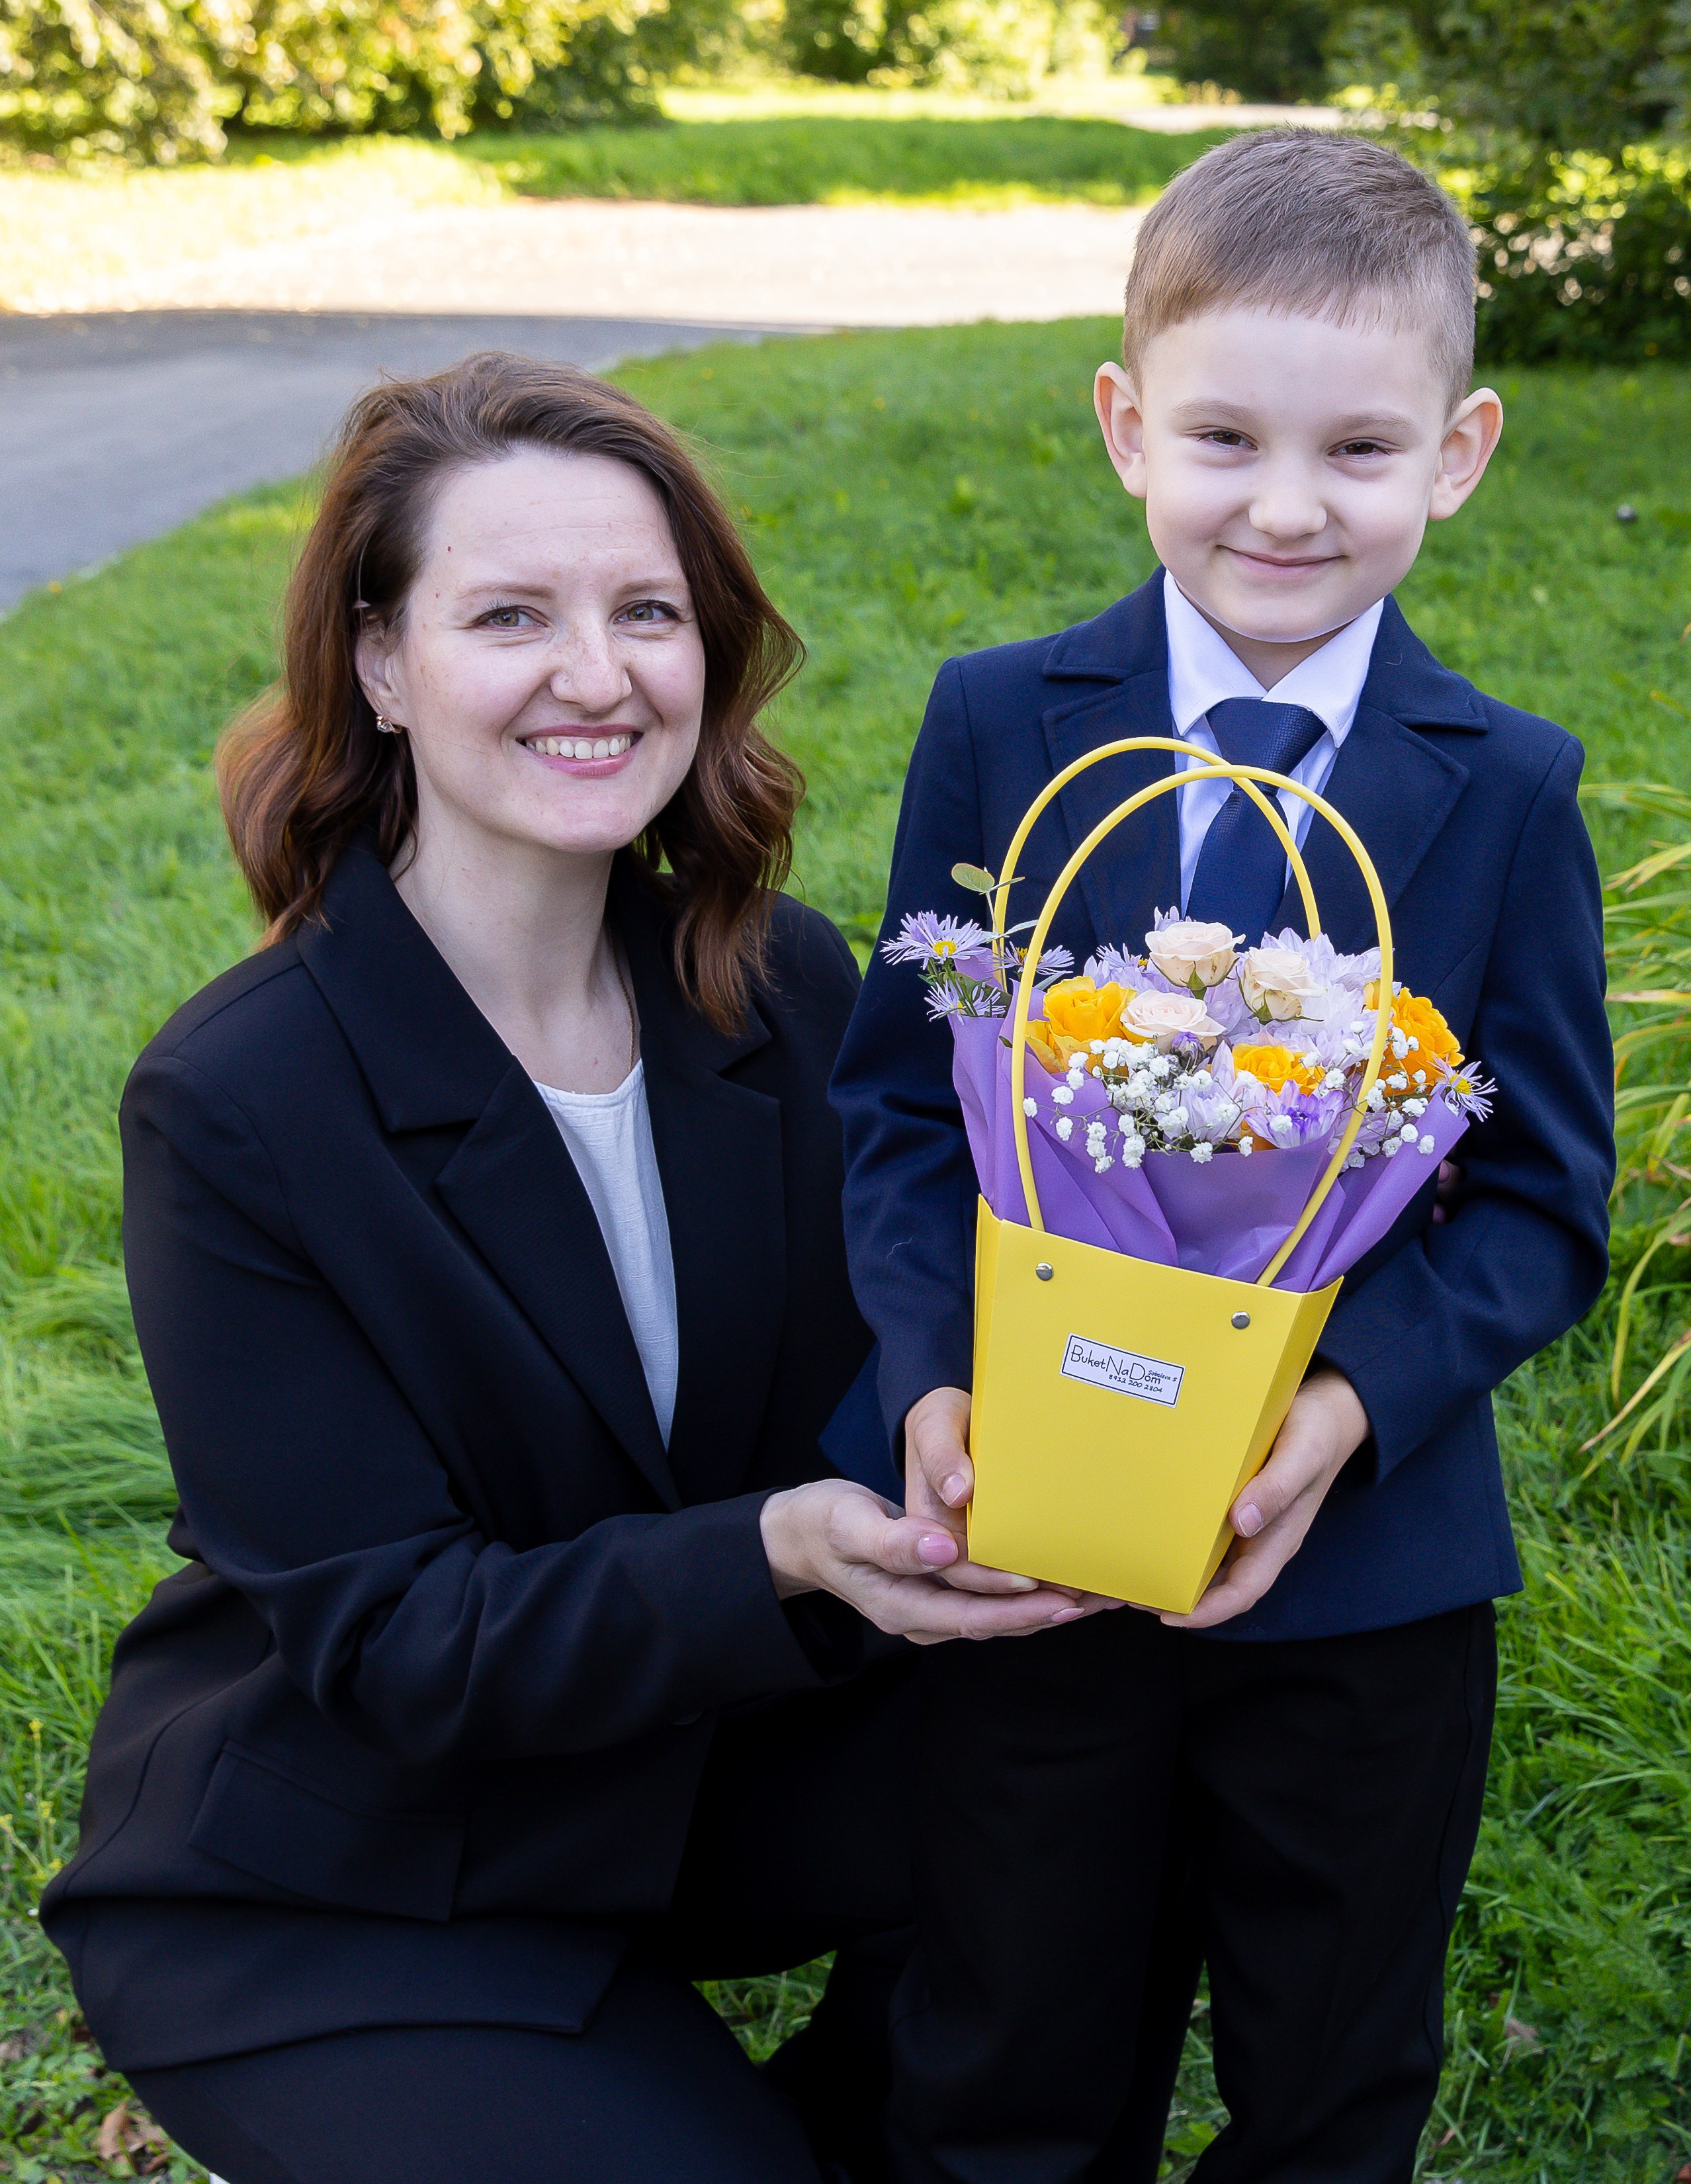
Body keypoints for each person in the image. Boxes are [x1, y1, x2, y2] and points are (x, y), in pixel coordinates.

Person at [40, 353, 1092, 2184]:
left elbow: (916, 1346)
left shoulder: (784, 985)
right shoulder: (238, 1102)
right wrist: (775, 1549)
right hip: (360, 1869)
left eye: (646, 613)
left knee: (1115, 1767)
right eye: (511, 614)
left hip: (705, 1774)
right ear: (381, 663)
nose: (598, 675)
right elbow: (393, 1638)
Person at [829, 132, 1616, 2182]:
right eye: (1221, 439)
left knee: (1330, 2068)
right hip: (1035, 1527)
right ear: (1123, 427)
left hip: (1363, 1573)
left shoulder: (1506, 789)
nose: (1283, 506)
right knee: (1008, 2041)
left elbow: (1543, 1198)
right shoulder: (1002, 722)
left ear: (1457, 453)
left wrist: (1337, 1412)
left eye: (1357, 448)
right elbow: (903, 1103)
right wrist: (931, 1384)